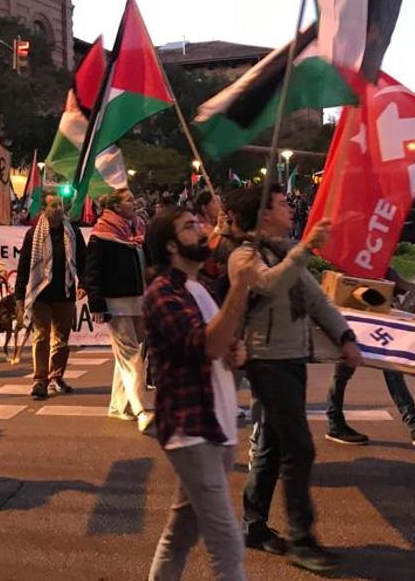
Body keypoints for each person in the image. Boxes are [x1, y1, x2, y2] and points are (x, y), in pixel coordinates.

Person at [227, 183, 362, 573]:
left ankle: (254, 525)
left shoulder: (284, 251)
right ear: (264, 214)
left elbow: (317, 299)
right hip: (267, 362)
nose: (291, 209)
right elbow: (269, 283)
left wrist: (345, 337)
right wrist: (306, 249)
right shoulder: (244, 256)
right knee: (299, 448)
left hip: (292, 359)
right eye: (283, 204)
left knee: (271, 444)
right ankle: (302, 539)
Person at [144, 207, 259, 581]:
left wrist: (237, 353)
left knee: (180, 534)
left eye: (199, 223)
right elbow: (206, 345)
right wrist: (240, 287)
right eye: (190, 227)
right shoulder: (161, 293)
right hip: (191, 432)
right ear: (172, 245)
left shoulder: (199, 289)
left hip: (218, 426)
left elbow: (221, 349)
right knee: (227, 543)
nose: (202, 230)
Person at [325, 271, 415, 446]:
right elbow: (350, 284)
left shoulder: (373, 255)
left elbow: (390, 276)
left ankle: (414, 422)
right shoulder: (354, 256)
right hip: (355, 320)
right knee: (346, 372)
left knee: (385, 369)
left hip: (369, 319)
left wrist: (403, 286)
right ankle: (335, 423)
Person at [85, 189, 154, 433]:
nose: (133, 202)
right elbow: (91, 273)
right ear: (115, 206)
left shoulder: (137, 231)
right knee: (132, 358)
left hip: (140, 302)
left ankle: (118, 406)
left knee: (129, 358)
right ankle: (140, 410)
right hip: (118, 305)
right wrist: (97, 304)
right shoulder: (101, 236)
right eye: (128, 200)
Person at [14, 192, 86, 401]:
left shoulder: (73, 232)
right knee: (42, 337)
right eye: (53, 205)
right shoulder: (33, 234)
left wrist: (84, 284)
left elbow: (82, 260)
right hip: (40, 295)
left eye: (60, 205)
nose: (58, 209)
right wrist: (20, 294)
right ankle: (40, 380)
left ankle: (57, 376)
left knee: (62, 339)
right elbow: (24, 265)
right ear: (44, 209)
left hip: (65, 293)